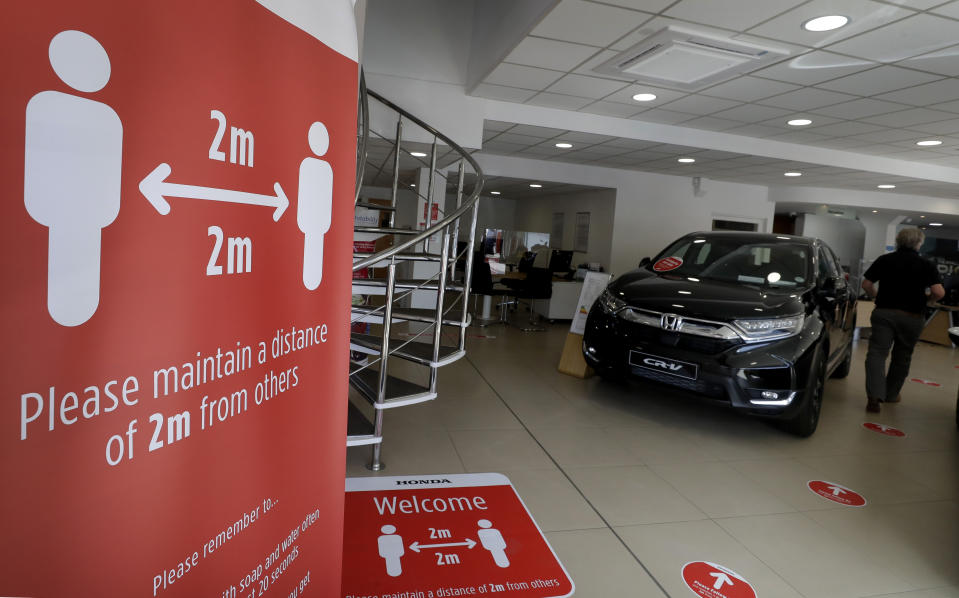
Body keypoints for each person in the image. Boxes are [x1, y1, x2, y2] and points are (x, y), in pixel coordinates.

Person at [861, 228, 944, 413]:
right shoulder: (926, 264)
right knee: (902, 356)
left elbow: (866, 284)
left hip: (884, 313)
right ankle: (890, 394)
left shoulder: (885, 260)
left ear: (898, 241)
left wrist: (875, 297)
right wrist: (927, 301)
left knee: (877, 353)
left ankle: (874, 395)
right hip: (913, 317)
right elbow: (939, 292)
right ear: (918, 243)